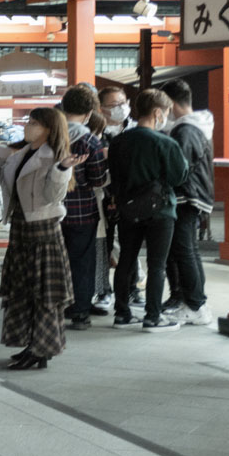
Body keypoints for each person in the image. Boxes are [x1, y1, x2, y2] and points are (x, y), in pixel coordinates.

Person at [0, 107, 86, 371]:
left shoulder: (53, 157)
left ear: (48, 128)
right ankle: (31, 344)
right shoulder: (22, 152)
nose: (28, 126)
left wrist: (62, 169)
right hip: (21, 227)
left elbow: (53, 196)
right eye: (29, 121)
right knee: (23, 290)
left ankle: (41, 349)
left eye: (34, 123)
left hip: (43, 229)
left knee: (44, 293)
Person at [107, 89, 189, 333]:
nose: (166, 117)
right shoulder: (165, 142)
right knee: (157, 265)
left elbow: (114, 176)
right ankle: (153, 317)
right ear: (157, 112)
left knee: (126, 262)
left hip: (128, 209)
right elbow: (178, 176)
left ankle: (122, 313)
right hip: (160, 211)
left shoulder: (119, 141)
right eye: (165, 113)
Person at [160, 79, 217, 327]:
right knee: (185, 250)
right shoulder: (196, 126)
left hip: (187, 196)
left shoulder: (186, 130)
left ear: (170, 104)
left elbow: (179, 167)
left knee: (184, 251)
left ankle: (195, 305)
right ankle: (191, 302)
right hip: (194, 195)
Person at [58, 86, 111, 331]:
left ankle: (58, 306)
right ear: (89, 113)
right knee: (82, 261)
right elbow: (98, 179)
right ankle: (80, 312)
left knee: (58, 261)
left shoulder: (50, 135)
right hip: (82, 211)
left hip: (51, 210)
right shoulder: (90, 140)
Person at [94, 85, 132, 311]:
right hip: (104, 198)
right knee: (104, 245)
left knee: (130, 246)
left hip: (130, 197)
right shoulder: (97, 134)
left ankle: (132, 290)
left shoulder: (135, 129)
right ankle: (103, 291)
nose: (120, 108)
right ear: (101, 108)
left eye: (123, 103)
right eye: (113, 105)